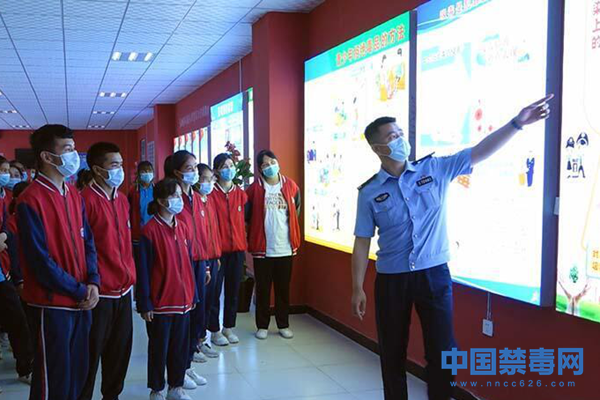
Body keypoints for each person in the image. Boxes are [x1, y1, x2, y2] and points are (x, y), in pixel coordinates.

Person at [350, 95, 553, 400]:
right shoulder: (369, 193)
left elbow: (479, 152)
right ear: (378, 148)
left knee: (444, 351)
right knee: (392, 352)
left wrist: (517, 124)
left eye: (401, 133)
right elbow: (362, 240)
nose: (401, 140)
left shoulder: (435, 169)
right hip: (392, 280)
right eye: (392, 137)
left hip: (434, 275)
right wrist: (357, 288)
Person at [17, 124, 100, 400]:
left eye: (74, 149)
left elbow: (88, 241)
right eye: (67, 149)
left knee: (78, 373)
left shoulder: (73, 194)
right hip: (52, 304)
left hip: (81, 301)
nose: (73, 155)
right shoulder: (31, 200)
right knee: (53, 379)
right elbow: (40, 262)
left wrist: (93, 281)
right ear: (46, 156)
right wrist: (79, 290)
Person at [79, 142, 136, 400]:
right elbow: (82, 248)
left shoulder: (122, 200)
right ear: (97, 169)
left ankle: (111, 396)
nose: (119, 170)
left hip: (124, 291)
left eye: (121, 164)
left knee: (120, 352)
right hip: (99, 293)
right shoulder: (85, 201)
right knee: (90, 355)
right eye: (114, 165)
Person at [137, 178, 198, 400]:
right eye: (174, 196)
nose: (179, 200)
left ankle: (176, 386)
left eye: (180, 196)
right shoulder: (149, 231)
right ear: (162, 201)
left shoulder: (183, 227)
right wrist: (145, 303)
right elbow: (143, 270)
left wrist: (193, 294)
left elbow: (189, 264)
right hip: (161, 303)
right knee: (158, 349)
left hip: (184, 301)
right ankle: (157, 389)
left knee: (179, 347)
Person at [164, 151, 211, 386]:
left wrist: (207, 264)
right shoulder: (174, 199)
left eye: (195, 167)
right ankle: (177, 369)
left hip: (199, 262)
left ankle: (188, 363)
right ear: (177, 172)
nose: (195, 172)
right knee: (183, 317)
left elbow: (202, 233)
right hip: (181, 263)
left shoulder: (196, 197)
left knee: (197, 314)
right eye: (189, 168)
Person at [246, 150, 301, 340]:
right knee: (263, 289)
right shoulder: (254, 190)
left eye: (272, 162)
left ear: (277, 162)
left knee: (283, 289)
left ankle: (283, 324)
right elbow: (247, 216)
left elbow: (296, 211)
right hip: (263, 249)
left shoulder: (291, 186)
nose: (269, 166)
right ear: (260, 169)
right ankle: (262, 325)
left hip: (285, 247)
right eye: (264, 164)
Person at [208, 153, 248, 346]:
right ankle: (214, 330)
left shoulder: (241, 194)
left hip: (237, 251)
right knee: (214, 291)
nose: (229, 169)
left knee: (233, 290)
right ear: (216, 170)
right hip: (217, 251)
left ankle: (228, 327)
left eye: (231, 165)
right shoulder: (210, 195)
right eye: (224, 166)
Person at [0, 174, 33, 386]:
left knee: (18, 322)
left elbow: (3, 227)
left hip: (4, 273)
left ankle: (25, 368)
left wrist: (3, 236)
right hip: (11, 274)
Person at [193, 164, 223, 348]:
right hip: (202, 259)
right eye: (206, 178)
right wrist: (205, 264)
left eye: (212, 178)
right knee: (201, 302)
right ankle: (197, 341)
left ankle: (203, 338)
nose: (210, 182)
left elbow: (214, 230)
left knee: (211, 299)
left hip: (213, 257)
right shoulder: (194, 200)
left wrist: (217, 254)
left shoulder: (209, 200)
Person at [129, 161, 155, 267]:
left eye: (149, 170)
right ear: (139, 174)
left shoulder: (157, 190)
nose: (147, 173)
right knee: (141, 264)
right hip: (138, 234)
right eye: (144, 171)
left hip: (154, 233)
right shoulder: (133, 192)